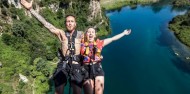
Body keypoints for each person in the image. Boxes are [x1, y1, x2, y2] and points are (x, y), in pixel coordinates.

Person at [20, 0, 84, 94]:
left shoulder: (81, 35)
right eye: (67, 21)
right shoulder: (61, 33)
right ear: (65, 23)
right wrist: (31, 10)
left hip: (76, 64)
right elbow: (46, 24)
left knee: (77, 91)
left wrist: (96, 58)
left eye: (72, 21)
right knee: (58, 90)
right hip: (64, 64)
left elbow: (91, 45)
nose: (69, 23)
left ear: (75, 23)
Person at [81, 27, 131, 94]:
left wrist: (124, 33)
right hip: (85, 70)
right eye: (88, 32)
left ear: (95, 35)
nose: (90, 33)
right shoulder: (80, 44)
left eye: (92, 32)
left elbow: (112, 39)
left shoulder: (100, 43)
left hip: (97, 68)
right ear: (85, 34)